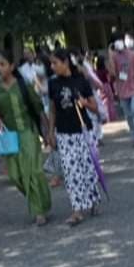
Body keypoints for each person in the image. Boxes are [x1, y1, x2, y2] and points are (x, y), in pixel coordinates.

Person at [0, 50, 52, 226]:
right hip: (9, 137)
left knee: (33, 172)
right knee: (16, 176)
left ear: (11, 66)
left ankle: (39, 211)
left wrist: (47, 131)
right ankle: (40, 200)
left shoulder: (23, 85)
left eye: (2, 64)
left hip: (28, 132)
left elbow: (39, 109)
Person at [47, 48, 101, 227]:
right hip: (64, 133)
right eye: (51, 63)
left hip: (83, 131)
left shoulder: (81, 81)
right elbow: (52, 109)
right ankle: (77, 209)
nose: (52, 66)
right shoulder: (53, 84)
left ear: (65, 63)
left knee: (87, 168)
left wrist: (85, 103)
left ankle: (92, 199)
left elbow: (95, 107)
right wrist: (50, 131)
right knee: (71, 172)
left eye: (55, 63)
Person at [109, 33, 134, 146]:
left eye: (119, 40)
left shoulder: (133, 55)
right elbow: (113, 73)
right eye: (116, 42)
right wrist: (110, 55)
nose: (118, 43)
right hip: (122, 91)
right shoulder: (114, 57)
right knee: (129, 117)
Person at [95, 55, 118, 122]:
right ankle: (112, 117)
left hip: (100, 87)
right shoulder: (105, 71)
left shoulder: (96, 72)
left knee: (104, 102)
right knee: (110, 102)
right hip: (106, 86)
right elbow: (109, 79)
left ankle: (107, 117)